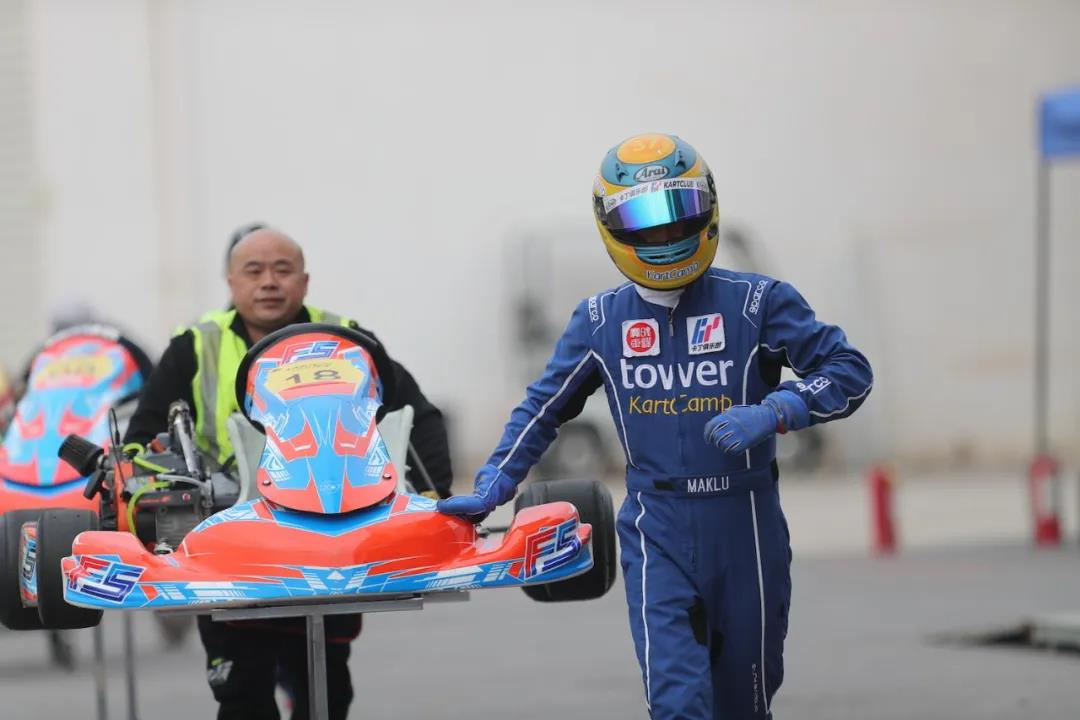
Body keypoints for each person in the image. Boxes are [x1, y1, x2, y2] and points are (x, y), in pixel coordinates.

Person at [439, 134, 873, 719]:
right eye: (643, 220)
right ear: (610, 224)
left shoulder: (758, 302)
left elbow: (849, 371)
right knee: (677, 703)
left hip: (746, 525)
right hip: (655, 526)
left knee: (744, 704)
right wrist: (496, 480)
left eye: (679, 213)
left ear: (708, 207)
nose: (665, 235)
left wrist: (779, 409)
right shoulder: (600, 320)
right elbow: (543, 407)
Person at [125, 224, 453, 720]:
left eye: (282, 270)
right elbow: (140, 439)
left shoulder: (349, 339)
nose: (269, 282)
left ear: (304, 280)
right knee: (243, 696)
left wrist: (434, 496)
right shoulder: (197, 346)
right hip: (232, 538)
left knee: (327, 692)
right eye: (254, 271)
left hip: (334, 531)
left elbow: (417, 414)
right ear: (232, 283)